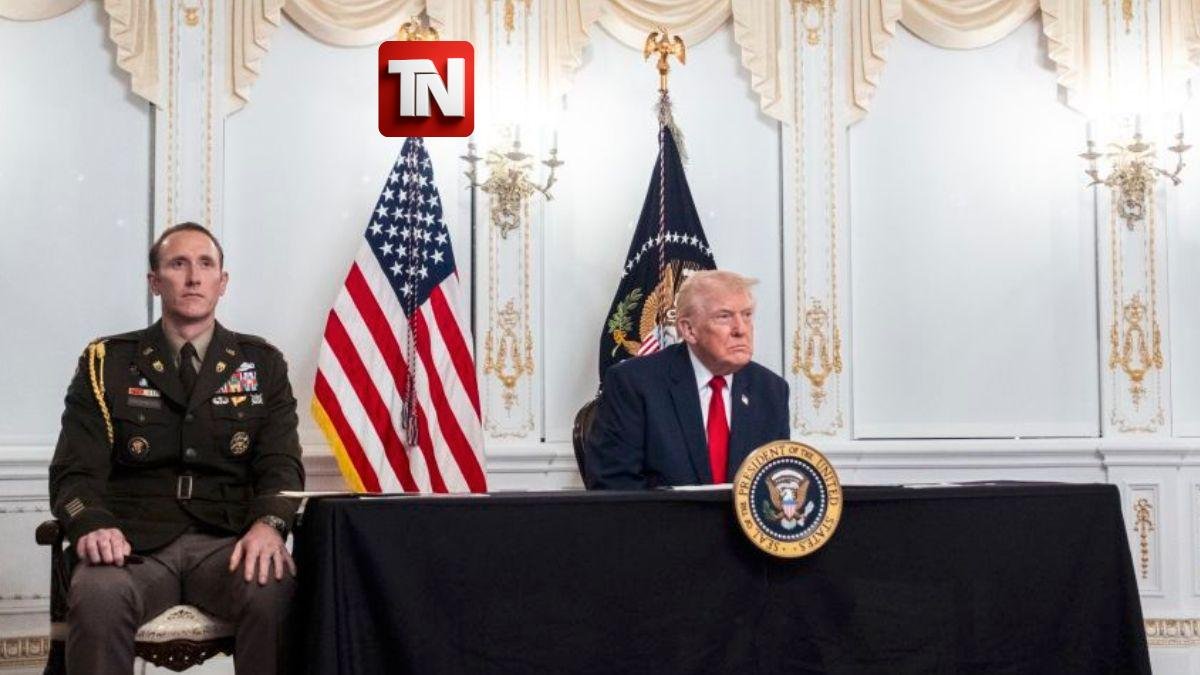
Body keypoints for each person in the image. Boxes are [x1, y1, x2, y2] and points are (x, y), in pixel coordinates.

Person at [49, 222, 304, 674]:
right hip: (133, 545)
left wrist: (269, 524)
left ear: (222, 282)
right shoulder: (107, 363)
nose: (193, 277)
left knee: (272, 588)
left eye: (205, 264)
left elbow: (280, 464)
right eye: (178, 264)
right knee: (98, 594)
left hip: (227, 543)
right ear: (154, 281)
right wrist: (92, 524)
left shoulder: (262, 364)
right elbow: (75, 470)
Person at [585, 270, 790, 489]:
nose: (741, 329)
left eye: (747, 315)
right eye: (724, 316)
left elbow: (776, 482)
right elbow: (615, 485)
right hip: (662, 513)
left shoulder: (771, 390)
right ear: (689, 330)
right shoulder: (634, 383)